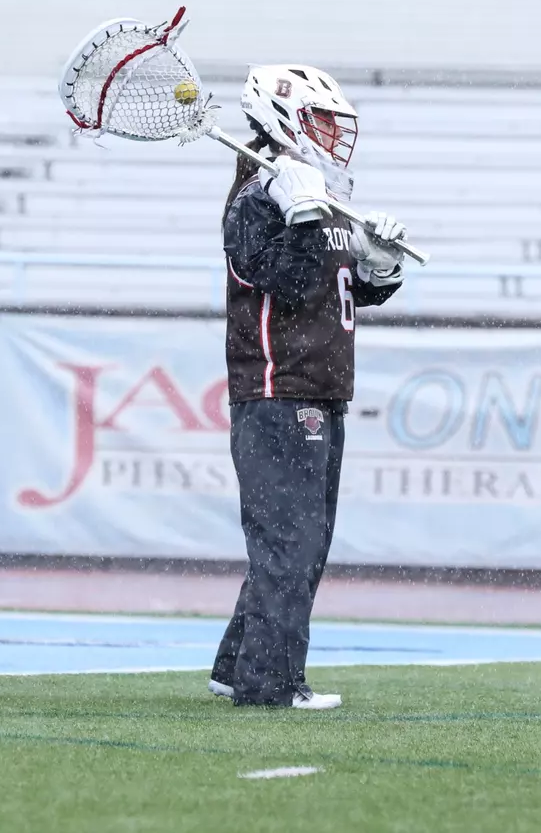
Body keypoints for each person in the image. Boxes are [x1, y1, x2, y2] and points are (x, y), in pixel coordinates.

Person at [208, 65, 406, 710]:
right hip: (277, 385)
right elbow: (281, 281)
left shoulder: (316, 188)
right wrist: (300, 214)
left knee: (299, 539)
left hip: (321, 383)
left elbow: (341, 291)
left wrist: (382, 264)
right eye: (321, 120)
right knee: (289, 541)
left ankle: (236, 664)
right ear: (282, 116)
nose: (332, 134)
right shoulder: (256, 193)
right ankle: (269, 685)